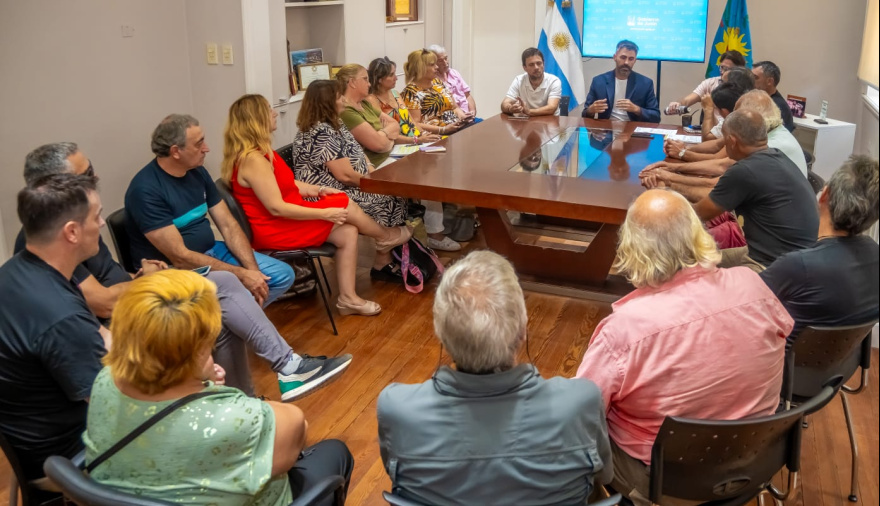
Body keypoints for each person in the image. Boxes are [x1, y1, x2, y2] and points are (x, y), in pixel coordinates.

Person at [17, 142, 350, 400]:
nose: (96, 177)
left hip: (135, 299)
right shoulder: (53, 238)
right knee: (223, 284)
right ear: (56, 185)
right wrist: (151, 282)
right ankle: (286, 368)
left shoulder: (76, 225)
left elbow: (108, 279)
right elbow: (102, 303)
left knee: (222, 317)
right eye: (87, 173)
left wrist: (138, 276)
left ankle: (241, 399)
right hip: (119, 326)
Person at [576, 189, 791, 506]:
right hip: (754, 462)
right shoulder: (753, 285)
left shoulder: (625, 330)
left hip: (664, 483)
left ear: (632, 249)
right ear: (698, 234)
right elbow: (784, 340)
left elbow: (580, 412)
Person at [84, 269, 354, 506]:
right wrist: (219, 396)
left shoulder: (105, 381)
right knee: (334, 452)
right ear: (197, 349)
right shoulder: (234, 420)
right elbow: (296, 427)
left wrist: (200, 386)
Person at [378, 250, 611, 505]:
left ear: (440, 333)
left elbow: (399, 480)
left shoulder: (397, 408)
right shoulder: (581, 402)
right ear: (522, 330)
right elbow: (603, 476)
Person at [222, 94, 413, 315]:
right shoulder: (253, 159)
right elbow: (276, 207)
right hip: (275, 227)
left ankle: (348, 299)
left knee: (348, 231)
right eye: (268, 110)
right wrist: (325, 214)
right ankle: (384, 236)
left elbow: (289, 183)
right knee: (343, 203)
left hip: (284, 218)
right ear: (256, 119)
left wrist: (319, 189)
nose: (274, 113)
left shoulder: (261, 152)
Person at [0, 174, 106, 484]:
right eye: (96, 216)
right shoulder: (61, 317)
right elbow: (115, 404)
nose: (102, 224)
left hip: (32, 436)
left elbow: (102, 336)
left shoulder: (20, 269)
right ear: (72, 232)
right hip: (65, 457)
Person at [124, 114, 292, 307]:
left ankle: (234, 317)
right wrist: (241, 274)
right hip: (176, 269)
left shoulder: (197, 171)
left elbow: (228, 225)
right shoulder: (145, 190)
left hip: (212, 252)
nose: (206, 148)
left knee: (282, 275)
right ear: (175, 151)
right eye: (199, 144)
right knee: (233, 294)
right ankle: (232, 317)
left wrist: (254, 272)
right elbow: (180, 257)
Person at [292, 80, 411, 282]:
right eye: (340, 97)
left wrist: (371, 172)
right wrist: (374, 184)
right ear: (328, 102)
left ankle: (385, 256)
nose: (344, 101)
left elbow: (359, 153)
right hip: (327, 193)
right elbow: (344, 175)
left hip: (345, 186)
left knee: (392, 194)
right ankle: (385, 247)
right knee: (386, 198)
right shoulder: (320, 131)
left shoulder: (335, 124)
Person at [761, 156, 879, 337]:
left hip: (780, 354)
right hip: (844, 355)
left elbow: (740, 305)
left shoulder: (798, 266)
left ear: (824, 195)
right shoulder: (875, 253)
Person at [692, 110, 819, 270]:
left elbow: (699, 213)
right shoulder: (777, 156)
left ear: (732, 141)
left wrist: (667, 197)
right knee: (700, 259)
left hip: (773, 265)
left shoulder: (745, 171)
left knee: (692, 267)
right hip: (796, 258)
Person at [582, 40, 660, 123]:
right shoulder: (599, 81)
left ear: (635, 60)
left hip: (633, 128)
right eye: (623, 57)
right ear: (615, 57)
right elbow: (584, 114)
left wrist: (636, 109)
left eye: (631, 59)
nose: (626, 62)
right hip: (606, 127)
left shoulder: (645, 83)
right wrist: (591, 110)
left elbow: (656, 117)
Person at [402, 49, 473, 136]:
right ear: (421, 68)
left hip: (457, 128)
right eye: (432, 65)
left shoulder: (437, 82)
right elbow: (415, 123)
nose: (436, 67)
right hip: (437, 135)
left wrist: (463, 117)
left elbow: (455, 107)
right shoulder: (411, 92)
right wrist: (443, 130)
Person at [665, 49, 746, 121]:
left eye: (726, 69)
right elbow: (687, 100)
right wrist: (678, 104)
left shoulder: (745, 88)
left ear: (738, 70)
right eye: (721, 67)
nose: (722, 71)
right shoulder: (710, 83)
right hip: (708, 128)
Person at [501, 47, 562, 117]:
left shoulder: (554, 81)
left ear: (543, 64)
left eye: (539, 63)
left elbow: (551, 108)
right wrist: (510, 108)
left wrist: (529, 111)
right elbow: (504, 103)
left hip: (550, 121)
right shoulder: (519, 80)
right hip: (526, 121)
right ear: (524, 68)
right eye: (531, 65)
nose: (536, 67)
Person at [427, 44, 479, 119]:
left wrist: (472, 111)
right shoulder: (432, 80)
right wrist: (463, 117)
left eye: (446, 58)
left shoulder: (454, 73)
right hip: (451, 119)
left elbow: (467, 95)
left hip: (468, 116)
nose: (445, 62)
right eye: (440, 61)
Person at [752, 60, 796, 132]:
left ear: (769, 81)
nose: (751, 80)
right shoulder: (756, 98)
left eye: (755, 78)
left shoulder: (778, 107)